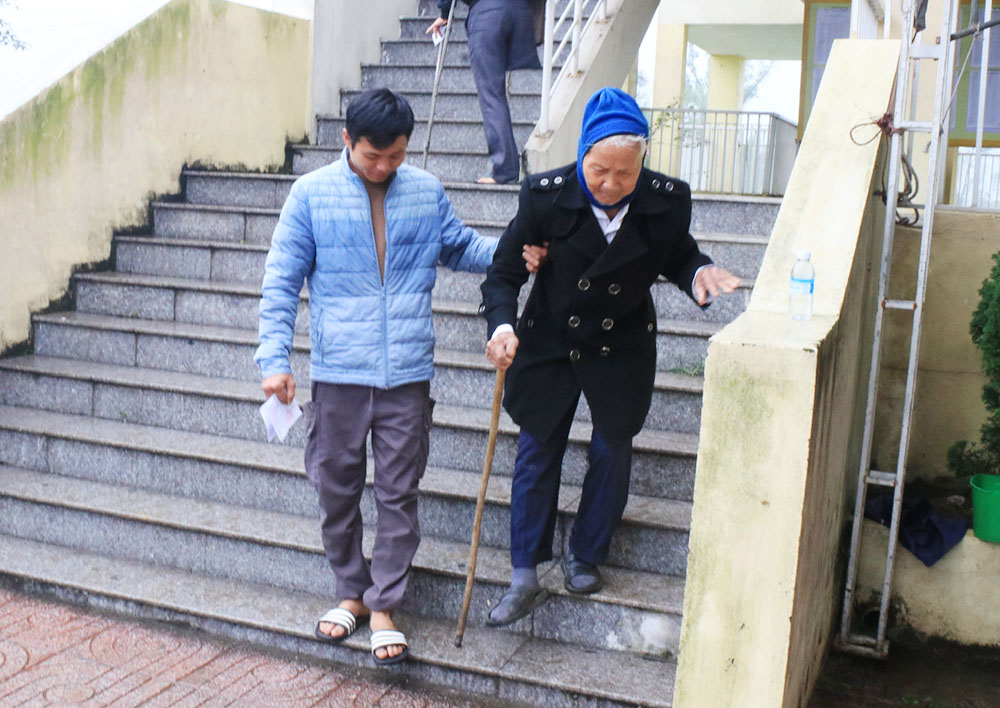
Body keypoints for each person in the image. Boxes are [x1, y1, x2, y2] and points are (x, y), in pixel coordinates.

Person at [254, 88, 504, 666]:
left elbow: (462, 247)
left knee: (398, 494)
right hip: (339, 375)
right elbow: (281, 281)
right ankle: (351, 591)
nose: (385, 166)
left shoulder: (425, 190)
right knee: (335, 488)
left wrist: (518, 251)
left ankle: (384, 604)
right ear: (348, 140)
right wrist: (274, 360)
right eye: (373, 156)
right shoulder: (311, 194)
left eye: (396, 155)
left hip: (407, 375)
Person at [479, 87, 741, 625]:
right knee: (537, 449)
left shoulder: (665, 200)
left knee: (611, 448)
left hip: (620, 341)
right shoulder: (545, 197)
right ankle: (524, 572)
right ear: (582, 153)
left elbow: (679, 253)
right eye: (599, 170)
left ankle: (586, 554)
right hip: (552, 339)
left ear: (641, 163)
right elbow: (503, 273)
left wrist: (698, 272)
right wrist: (502, 327)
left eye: (626, 173)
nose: (611, 184)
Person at [427, 0, 542, 184]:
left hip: (487, 15)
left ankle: (505, 171)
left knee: (491, 96)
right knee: (495, 94)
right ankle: (507, 168)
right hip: (519, 12)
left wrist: (445, 12)